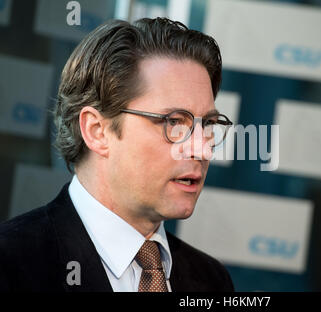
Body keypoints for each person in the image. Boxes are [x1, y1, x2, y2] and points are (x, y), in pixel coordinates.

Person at [0, 17, 234, 292]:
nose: (202, 148)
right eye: (174, 122)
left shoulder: (212, 280)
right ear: (97, 130)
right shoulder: (11, 265)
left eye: (206, 124)